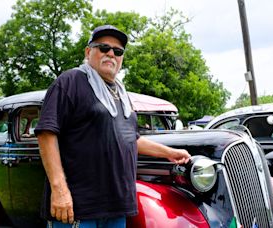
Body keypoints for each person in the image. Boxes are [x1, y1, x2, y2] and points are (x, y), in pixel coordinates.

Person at [35, 25, 191, 228]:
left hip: (117, 206)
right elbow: (47, 132)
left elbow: (130, 139)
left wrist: (169, 152)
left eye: (118, 51)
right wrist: (60, 189)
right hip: (79, 207)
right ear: (88, 51)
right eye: (104, 48)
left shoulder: (122, 94)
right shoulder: (70, 81)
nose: (111, 54)